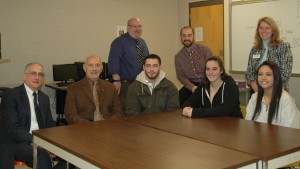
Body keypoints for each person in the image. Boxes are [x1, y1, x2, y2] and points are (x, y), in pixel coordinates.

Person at [0, 63, 65, 169]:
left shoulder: (44, 98)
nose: (37, 77)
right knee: (41, 154)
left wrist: (58, 140)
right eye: (33, 73)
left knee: (72, 156)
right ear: (24, 76)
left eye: (40, 74)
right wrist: (40, 143)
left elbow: (49, 124)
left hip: (39, 141)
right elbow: (13, 129)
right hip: (17, 142)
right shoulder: (12, 95)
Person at [64, 55, 123, 124]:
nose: (94, 69)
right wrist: (89, 126)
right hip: (84, 128)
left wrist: (108, 123)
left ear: (101, 68)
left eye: (97, 65)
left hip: (107, 128)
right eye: (90, 65)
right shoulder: (74, 88)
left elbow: (119, 112)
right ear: (84, 68)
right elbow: (70, 115)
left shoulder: (110, 87)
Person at [108, 17, 149, 111]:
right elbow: (113, 61)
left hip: (142, 83)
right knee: (128, 111)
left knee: (142, 110)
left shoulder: (142, 42)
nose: (137, 29)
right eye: (134, 26)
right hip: (126, 85)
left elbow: (147, 61)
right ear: (128, 27)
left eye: (139, 26)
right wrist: (116, 81)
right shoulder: (119, 42)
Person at [246, 61, 299, 129]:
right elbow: (248, 125)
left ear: (276, 77)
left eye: (268, 74)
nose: (263, 78)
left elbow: (289, 130)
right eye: (260, 74)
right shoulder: (255, 97)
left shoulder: (285, 99)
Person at [245, 16, 293, 92]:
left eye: (267, 28)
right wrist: (253, 84)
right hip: (256, 91)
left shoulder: (283, 47)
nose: (264, 31)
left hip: (276, 91)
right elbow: (249, 72)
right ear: (258, 31)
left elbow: (285, 73)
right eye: (261, 28)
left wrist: (270, 90)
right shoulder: (254, 49)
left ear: (273, 31)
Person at [175, 26, 212, 108]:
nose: (186, 38)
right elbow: (181, 76)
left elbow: (211, 70)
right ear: (180, 37)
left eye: (189, 35)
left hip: (207, 82)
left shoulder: (205, 50)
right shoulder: (178, 57)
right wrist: (192, 87)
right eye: (183, 36)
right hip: (191, 85)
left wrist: (204, 85)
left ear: (193, 36)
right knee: (178, 102)